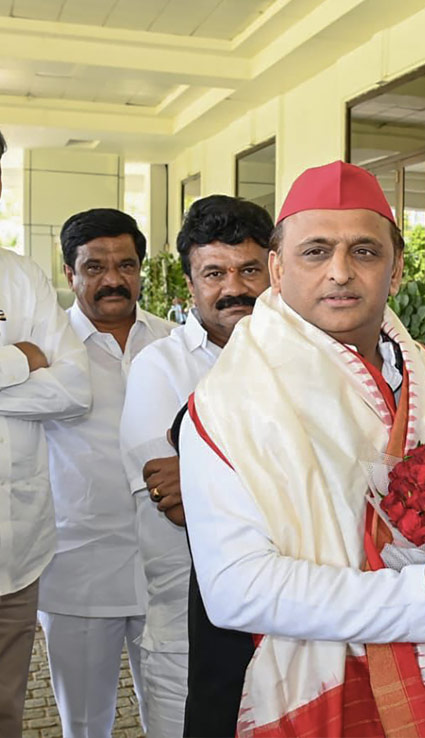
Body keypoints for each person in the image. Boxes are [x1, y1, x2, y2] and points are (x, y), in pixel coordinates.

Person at [179, 161, 425, 735]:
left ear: (396, 268)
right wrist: (420, 599)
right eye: (315, 252)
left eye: (364, 251)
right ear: (277, 269)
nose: (340, 272)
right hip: (307, 691)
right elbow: (236, 589)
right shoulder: (231, 401)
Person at [118, 195, 273, 738]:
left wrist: (209, 472)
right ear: (190, 285)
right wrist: (290, 476)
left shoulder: (309, 358)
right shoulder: (158, 366)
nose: (234, 287)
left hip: (295, 628)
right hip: (185, 637)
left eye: (249, 269)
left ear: (274, 272)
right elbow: (180, 502)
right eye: (214, 273)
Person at [39, 208, 175, 738]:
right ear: (69, 273)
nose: (113, 279)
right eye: (94, 267)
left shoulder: (174, 344)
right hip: (78, 570)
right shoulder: (46, 352)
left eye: (126, 265)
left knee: (173, 714)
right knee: (84, 723)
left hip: (170, 569)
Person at [0, 126, 93, 736]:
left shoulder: (20, 276)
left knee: (6, 709)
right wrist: (21, 359)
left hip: (16, 552)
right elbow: (47, 378)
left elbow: (75, 390)